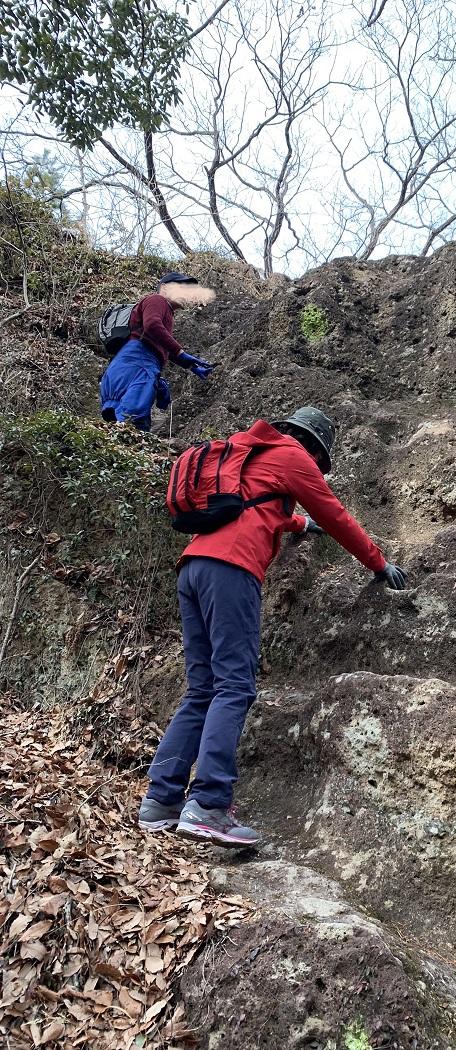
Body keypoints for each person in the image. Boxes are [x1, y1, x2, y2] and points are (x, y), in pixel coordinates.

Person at [138, 406, 408, 847]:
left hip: (193, 567)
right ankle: (208, 805)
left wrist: (301, 522)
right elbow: (336, 514)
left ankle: (160, 801)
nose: (317, 470)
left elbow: (259, 508)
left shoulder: (251, 451)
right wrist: (378, 563)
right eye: (320, 464)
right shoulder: (294, 456)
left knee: (201, 689)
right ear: (316, 450)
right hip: (232, 569)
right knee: (234, 686)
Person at [99, 272, 217, 431]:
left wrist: (190, 365)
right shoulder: (157, 300)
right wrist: (181, 352)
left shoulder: (164, 310)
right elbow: (152, 326)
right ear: (165, 288)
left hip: (127, 366)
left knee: (124, 421)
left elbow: (159, 343)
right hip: (138, 364)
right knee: (132, 421)